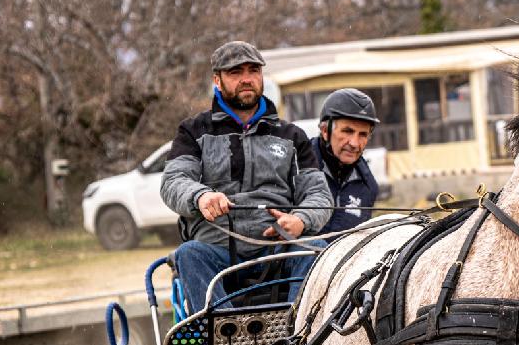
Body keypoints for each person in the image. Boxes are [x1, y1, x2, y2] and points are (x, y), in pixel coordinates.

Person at [160, 41, 332, 313]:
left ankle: (296, 337)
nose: (246, 79)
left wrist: (301, 219)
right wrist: (201, 196)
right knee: (189, 254)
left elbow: (319, 195)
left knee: (314, 248)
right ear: (217, 80)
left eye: (253, 70)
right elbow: (173, 182)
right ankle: (224, 334)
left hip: (275, 250)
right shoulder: (192, 131)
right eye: (235, 72)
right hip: (214, 250)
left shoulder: (292, 136)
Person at [311, 88, 381, 233]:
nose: (355, 143)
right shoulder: (295, 166)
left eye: (363, 134)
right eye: (347, 131)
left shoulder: (368, 186)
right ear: (325, 131)